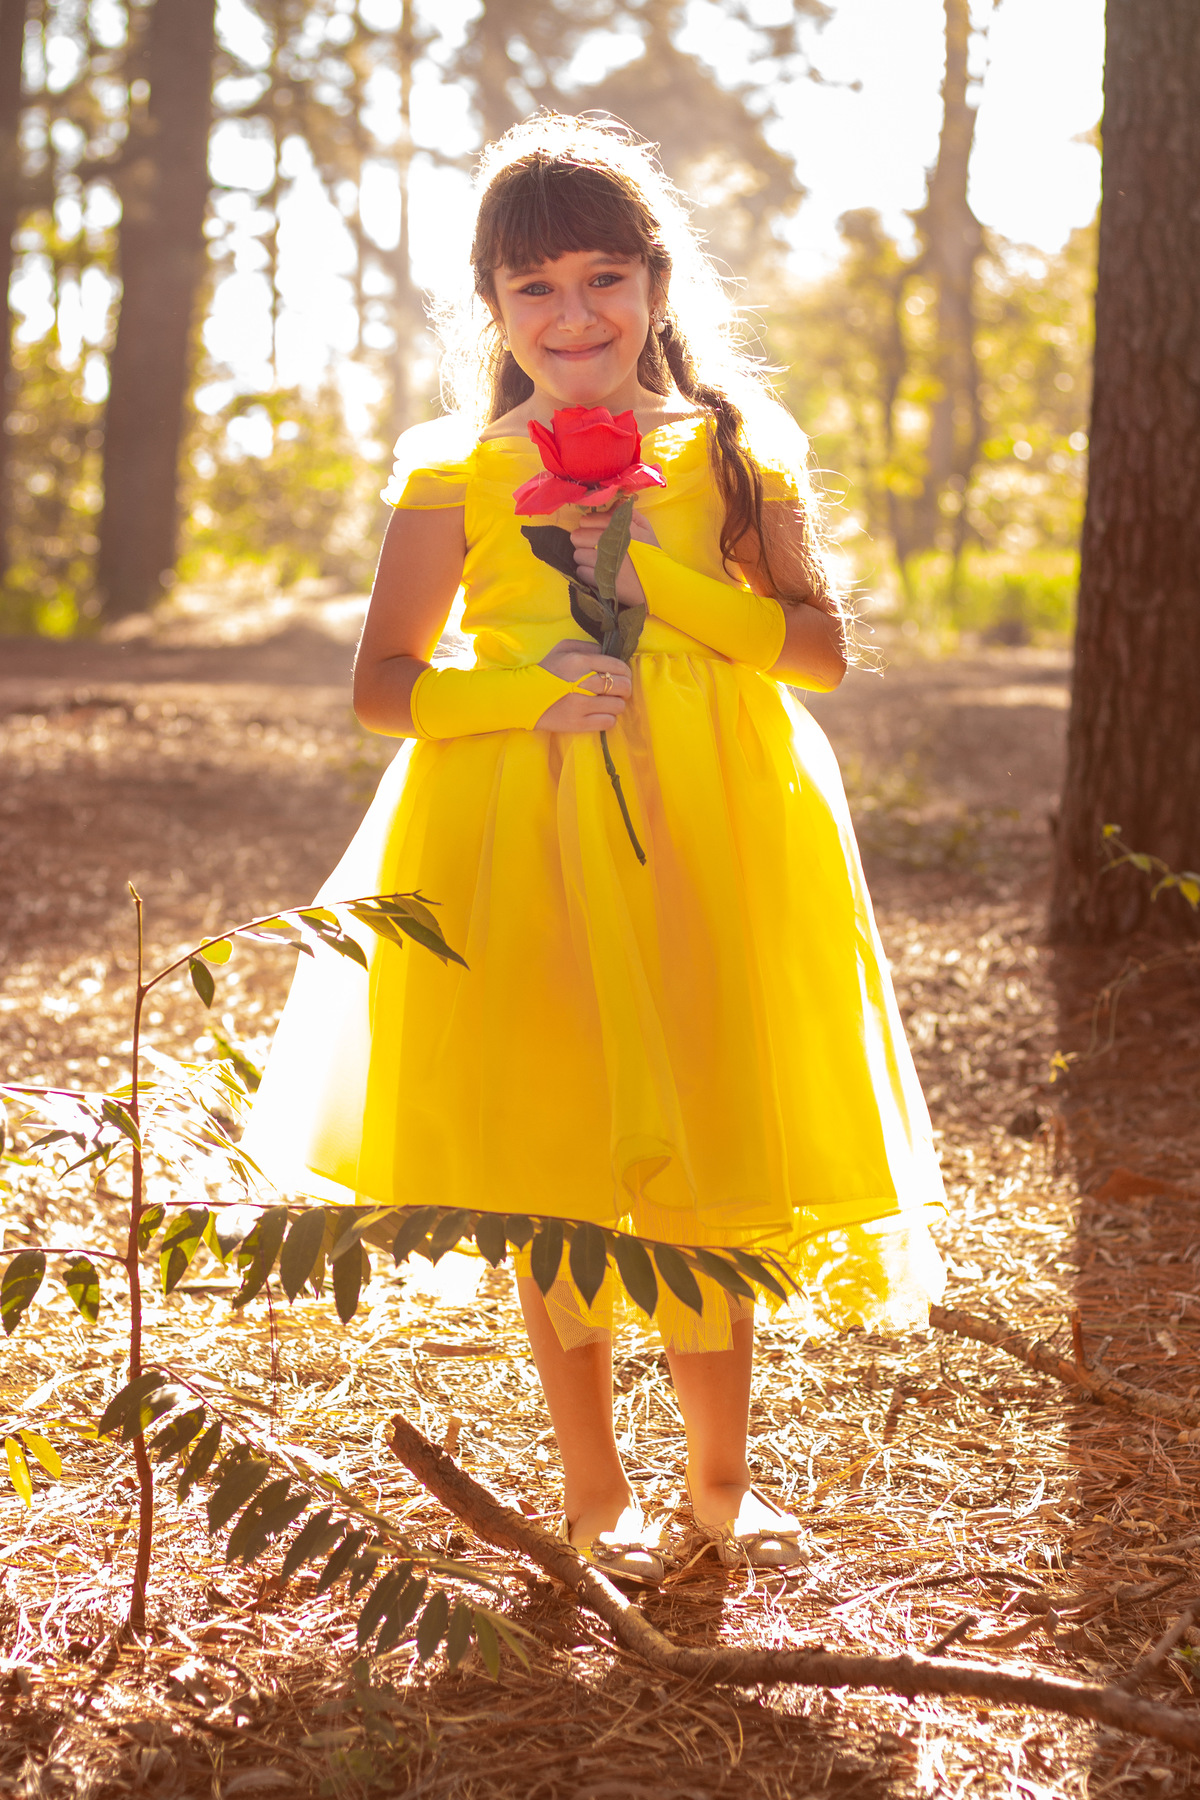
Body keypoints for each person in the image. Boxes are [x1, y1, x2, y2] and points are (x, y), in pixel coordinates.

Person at [243, 114, 945, 1585]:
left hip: (716, 826)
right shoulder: (456, 469)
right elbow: (385, 684)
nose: (576, 318)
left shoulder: (738, 448)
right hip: (527, 822)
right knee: (560, 1148)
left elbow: (816, 653)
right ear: (493, 308)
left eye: (604, 280)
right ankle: (590, 1484)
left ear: (659, 285)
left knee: (700, 1136)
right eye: (535, 290)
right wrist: (528, 691)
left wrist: (668, 586)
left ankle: (722, 1480)